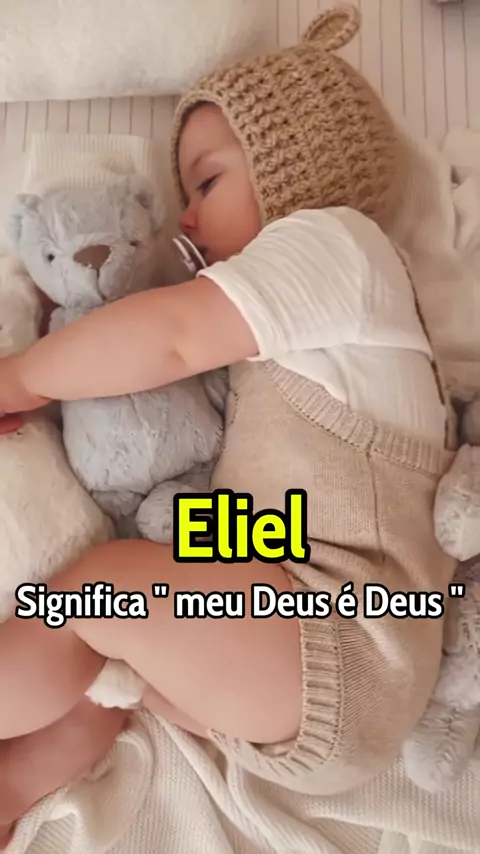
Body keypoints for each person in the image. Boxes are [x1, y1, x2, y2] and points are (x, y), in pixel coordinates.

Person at [0, 4, 457, 843]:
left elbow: (169, 337)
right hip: (290, 651)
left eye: (206, 183)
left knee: (95, 594)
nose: (184, 218)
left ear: (297, 170)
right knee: (114, 653)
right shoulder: (305, 339)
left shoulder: (336, 246)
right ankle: (14, 783)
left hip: (336, 638)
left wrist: (25, 376)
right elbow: (259, 512)